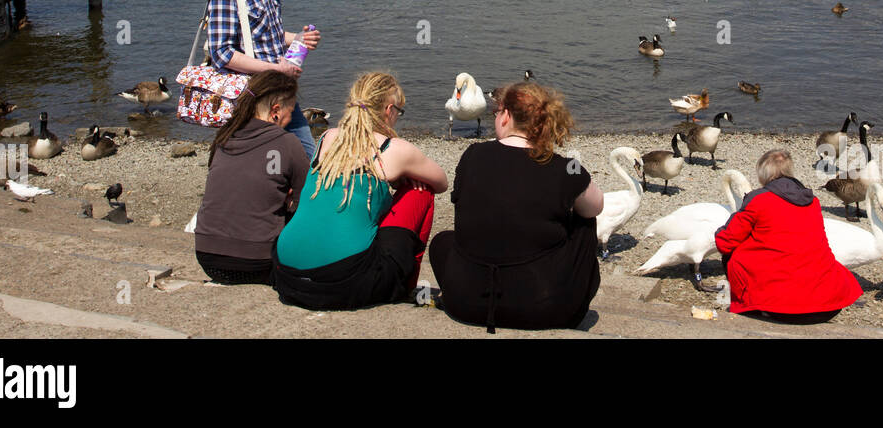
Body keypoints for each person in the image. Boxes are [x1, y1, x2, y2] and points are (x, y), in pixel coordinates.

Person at [429, 81, 603, 332]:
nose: (495, 118)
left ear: (506, 116)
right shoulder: (565, 168)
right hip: (545, 310)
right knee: (585, 218)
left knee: (443, 241)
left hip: (464, 302)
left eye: (496, 113)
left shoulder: (473, 155)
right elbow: (596, 208)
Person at [273, 71, 447, 310]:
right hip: (344, 282)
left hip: (287, 273)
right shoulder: (392, 148)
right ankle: (403, 284)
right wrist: (404, 176)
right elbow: (441, 182)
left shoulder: (327, 137)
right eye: (399, 111)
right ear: (389, 110)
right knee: (421, 190)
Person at [209, 0, 320, 157]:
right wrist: (275, 69)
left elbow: (266, 34)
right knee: (271, 164)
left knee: (306, 159)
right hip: (251, 99)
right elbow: (222, 54)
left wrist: (297, 39)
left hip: (280, 91)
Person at [714, 149, 861, 322]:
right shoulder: (812, 201)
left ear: (763, 175)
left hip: (782, 307)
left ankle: (755, 303)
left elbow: (725, 242)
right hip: (828, 305)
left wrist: (731, 221)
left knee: (733, 253)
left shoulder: (759, 200)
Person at [195, 70, 308, 284]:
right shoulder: (287, 143)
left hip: (207, 256)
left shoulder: (224, 137)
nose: (290, 117)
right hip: (258, 263)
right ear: (276, 110)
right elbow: (308, 202)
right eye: (290, 111)